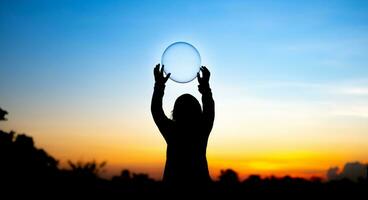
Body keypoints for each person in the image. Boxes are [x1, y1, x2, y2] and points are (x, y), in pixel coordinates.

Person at [151, 64, 215, 190]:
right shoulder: (202, 129)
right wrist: (205, 86)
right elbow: (209, 108)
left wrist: (159, 85)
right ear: (198, 111)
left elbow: (156, 110)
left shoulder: (172, 131)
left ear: (175, 112)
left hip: (173, 186)